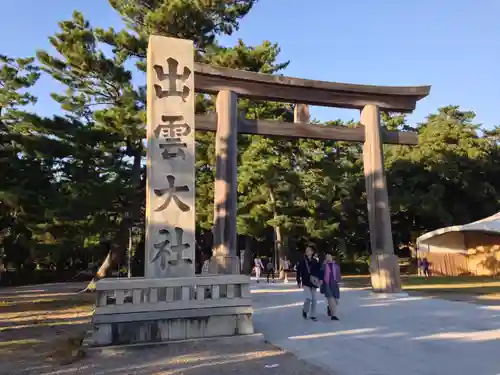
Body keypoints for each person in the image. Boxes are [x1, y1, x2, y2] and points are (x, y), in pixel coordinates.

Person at [296, 246, 321, 321]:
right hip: (306, 282)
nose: (307, 251)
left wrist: (319, 280)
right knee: (308, 298)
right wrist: (298, 281)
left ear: (312, 252)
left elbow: (318, 271)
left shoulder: (315, 261)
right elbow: (298, 272)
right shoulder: (302, 261)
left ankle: (313, 315)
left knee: (314, 299)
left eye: (309, 250)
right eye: (306, 250)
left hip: (313, 282)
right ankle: (305, 310)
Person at [320, 251, 341, 321]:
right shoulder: (324, 266)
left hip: (335, 285)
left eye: (329, 256)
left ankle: (329, 308)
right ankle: (333, 316)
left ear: (332, 257)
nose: (328, 258)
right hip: (327, 284)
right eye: (326, 257)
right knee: (331, 299)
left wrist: (339, 283)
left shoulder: (336, 266)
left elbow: (338, 276)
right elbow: (320, 274)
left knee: (336, 301)